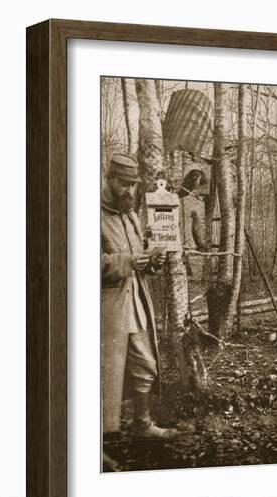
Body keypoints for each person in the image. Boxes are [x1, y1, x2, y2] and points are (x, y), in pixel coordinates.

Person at [101, 153, 178, 441]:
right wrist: (128, 262)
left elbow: (138, 255)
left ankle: (142, 424)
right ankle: (94, 445)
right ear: (109, 179)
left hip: (135, 301)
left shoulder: (130, 214)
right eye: (124, 184)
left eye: (134, 185)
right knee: (103, 373)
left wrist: (151, 262)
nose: (130, 191)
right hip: (107, 308)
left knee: (145, 363)